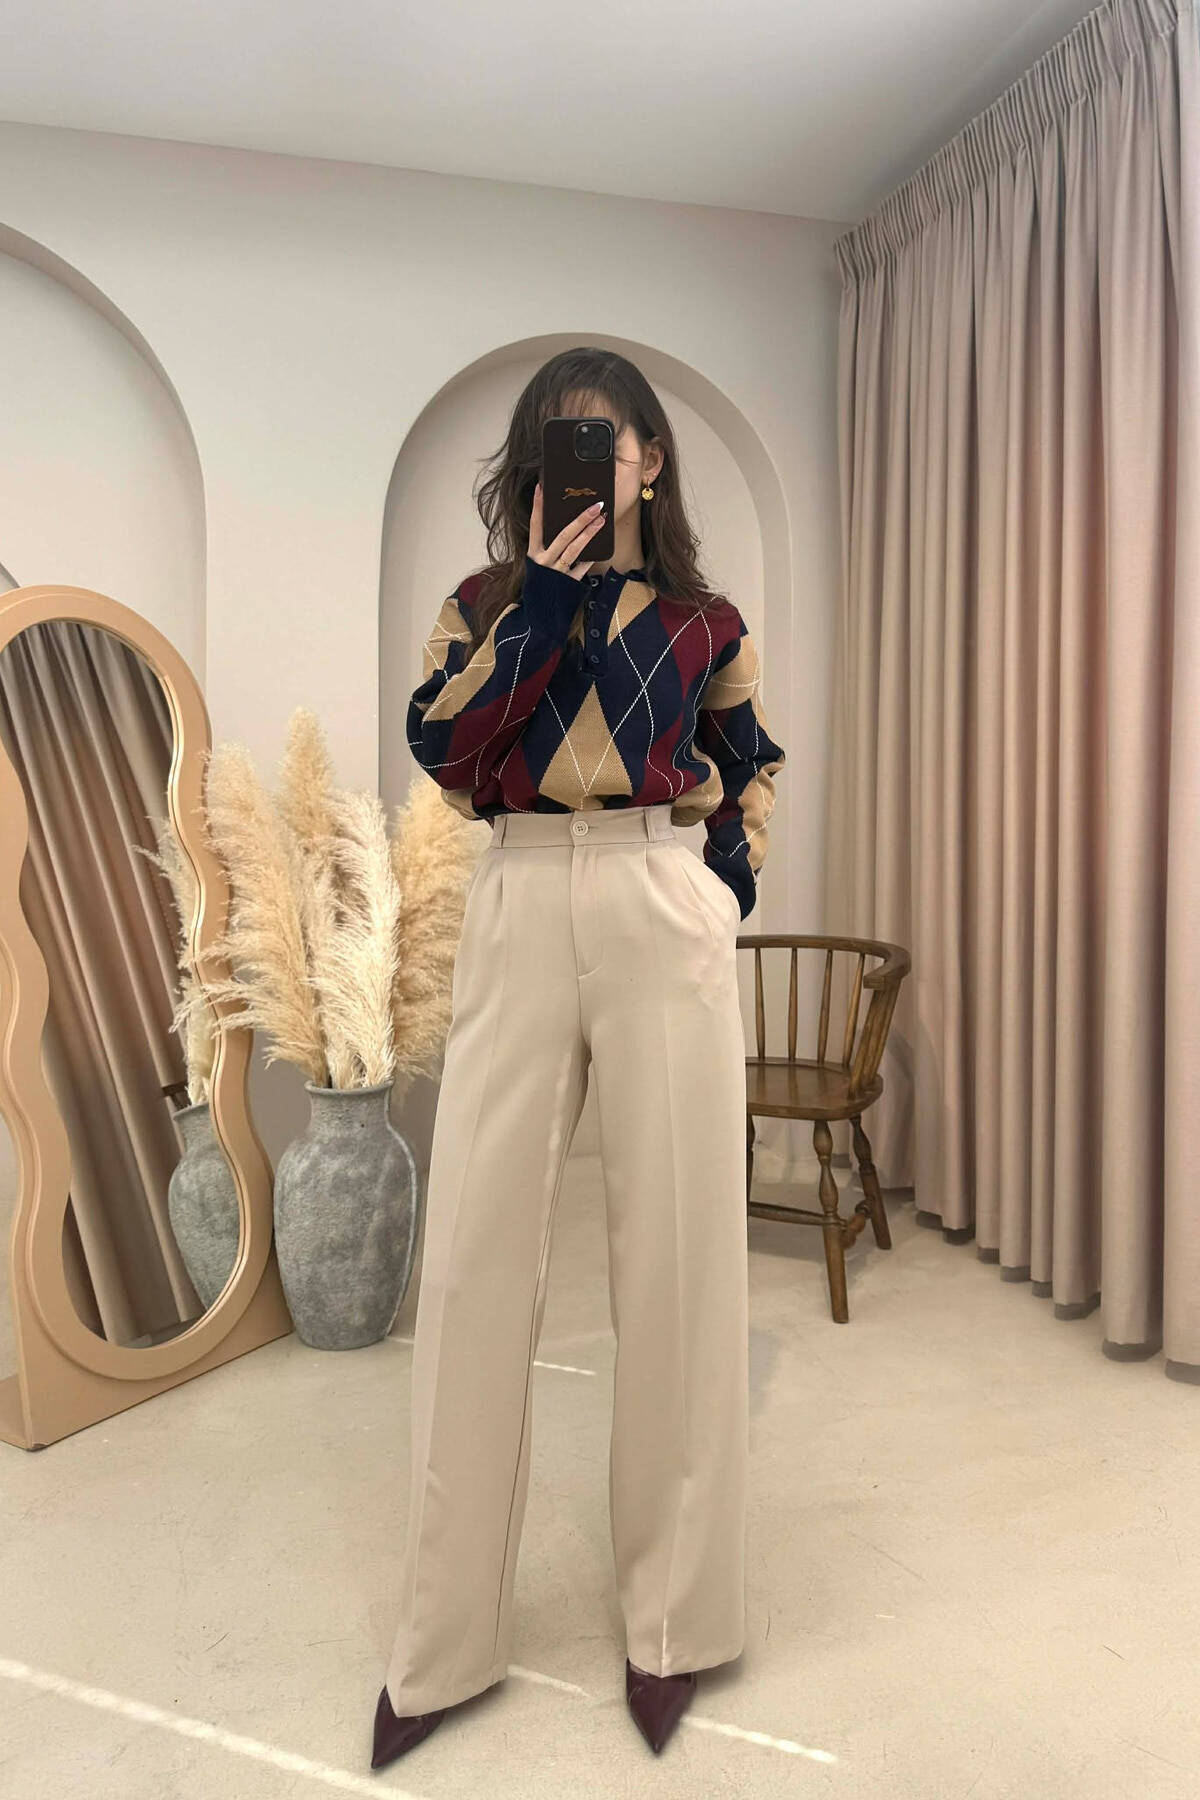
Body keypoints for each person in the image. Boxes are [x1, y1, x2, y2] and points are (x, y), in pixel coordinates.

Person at [371, 348, 785, 1769]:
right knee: (473, 1264)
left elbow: (749, 761)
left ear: (651, 460)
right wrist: (542, 612)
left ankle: (677, 1622)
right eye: (561, 438)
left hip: (662, 894)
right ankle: (442, 1641)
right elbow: (444, 748)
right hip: (520, 889)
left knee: (678, 1260)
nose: (590, 457)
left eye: (610, 438)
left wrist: (722, 889)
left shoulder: (705, 620)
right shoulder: (484, 603)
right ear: (532, 463)